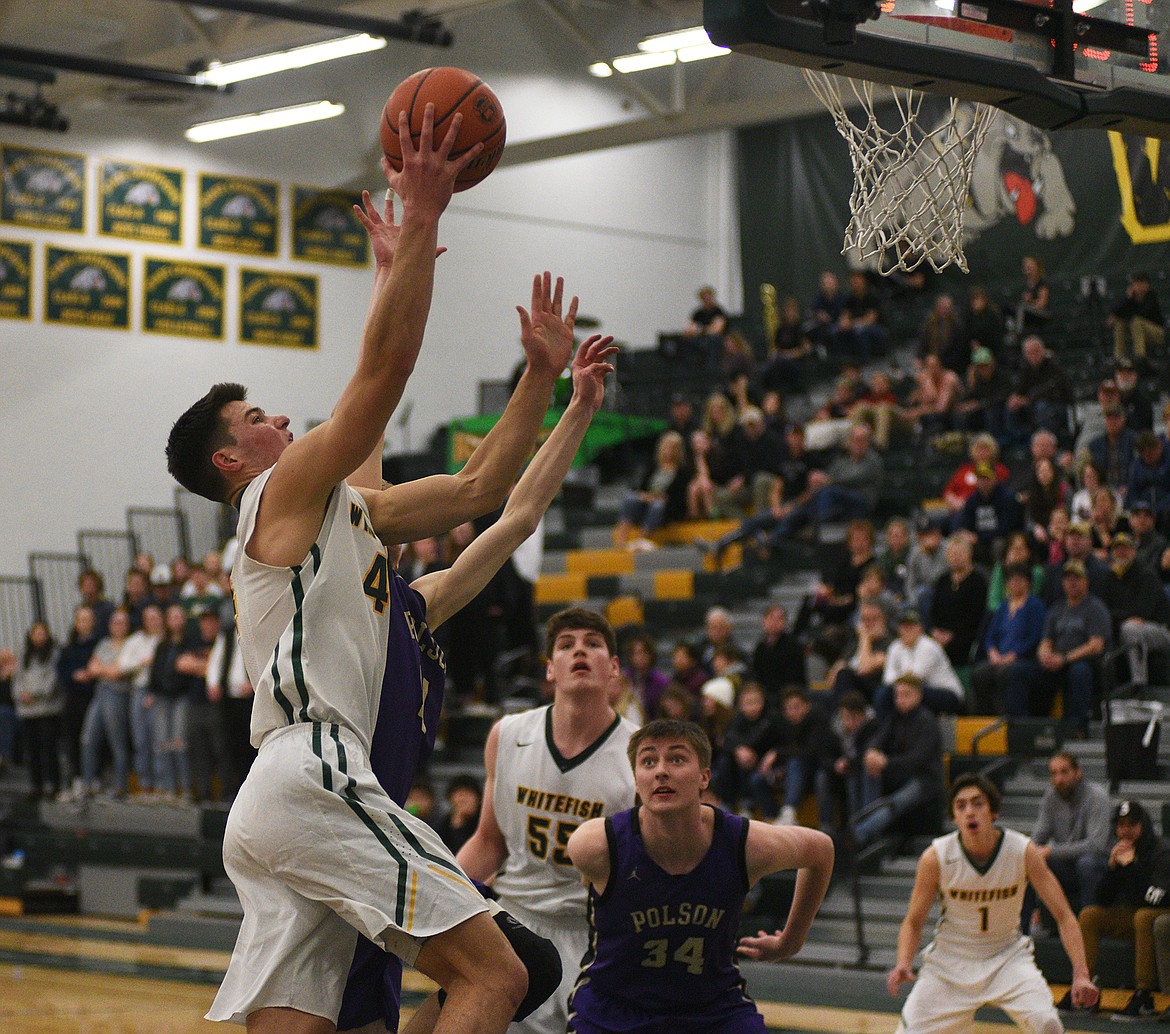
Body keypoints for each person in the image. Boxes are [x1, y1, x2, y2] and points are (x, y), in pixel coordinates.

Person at [169, 118, 546, 1031]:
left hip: (280, 799)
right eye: (257, 414)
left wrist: (540, 378)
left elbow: (479, 489)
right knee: (499, 976)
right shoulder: (275, 494)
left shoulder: (345, 511)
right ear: (232, 461)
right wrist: (422, 217)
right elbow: (380, 376)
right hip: (316, 770)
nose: (280, 417)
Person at [337, 335, 618, 1034]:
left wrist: (577, 409)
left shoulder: (417, 603)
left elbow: (518, 517)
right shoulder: (334, 599)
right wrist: (385, 290)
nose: (392, 516)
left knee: (512, 973)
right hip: (334, 821)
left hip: (382, 827)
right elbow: (364, 462)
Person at [565, 719, 834, 1034]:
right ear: (637, 782)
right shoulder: (596, 844)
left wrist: (791, 941)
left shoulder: (743, 843)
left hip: (714, 1011)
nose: (661, 771)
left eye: (676, 759)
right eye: (648, 761)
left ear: (704, 777)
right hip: (615, 1011)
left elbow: (821, 851)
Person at [456, 608, 638, 1034]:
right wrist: (440, 900)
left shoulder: (639, 754)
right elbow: (488, 842)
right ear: (550, 668)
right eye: (566, 644)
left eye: (593, 644)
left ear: (613, 669)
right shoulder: (507, 734)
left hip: (591, 932)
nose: (579, 651)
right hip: (511, 920)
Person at [887, 773, 1099, 1031]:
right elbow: (913, 921)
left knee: (1048, 1025)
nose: (969, 812)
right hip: (950, 963)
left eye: (978, 803)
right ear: (954, 817)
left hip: (1007, 958)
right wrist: (903, 962)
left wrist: (1081, 974)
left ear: (994, 811)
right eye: (960, 806)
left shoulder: (1022, 850)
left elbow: (1064, 915)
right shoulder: (936, 857)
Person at [1077, 800, 1170, 1019]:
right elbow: (1102, 899)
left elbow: (1153, 899)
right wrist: (1112, 868)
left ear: (1143, 825)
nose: (1125, 831)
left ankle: (1144, 995)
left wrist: (1130, 867)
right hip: (1137, 918)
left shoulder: (1161, 851)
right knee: (1090, 915)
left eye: (1131, 825)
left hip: (1162, 913)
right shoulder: (1122, 852)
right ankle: (1085, 986)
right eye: (1120, 825)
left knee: (1144, 916)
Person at [853, 674, 945, 845]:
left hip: (925, 779)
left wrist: (886, 762)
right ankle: (865, 827)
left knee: (895, 802)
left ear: (919, 695)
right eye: (898, 695)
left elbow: (918, 760)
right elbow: (878, 739)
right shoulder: (894, 718)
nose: (900, 699)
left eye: (906, 694)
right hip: (899, 774)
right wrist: (872, 753)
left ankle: (860, 834)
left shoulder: (928, 722)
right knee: (867, 769)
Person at [1028, 752, 1111, 928]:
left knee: (1086, 863)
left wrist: (1052, 850)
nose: (1059, 779)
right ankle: (1039, 920)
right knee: (1033, 859)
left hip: (1100, 865)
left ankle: (1090, 925)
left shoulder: (1097, 796)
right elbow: (1038, 836)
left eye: (1064, 772)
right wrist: (1030, 852)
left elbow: (1096, 845)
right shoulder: (1051, 797)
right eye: (1054, 773)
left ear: (1077, 772)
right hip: (1068, 864)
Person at [1035, 560, 1112, 735]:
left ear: (1086, 581)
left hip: (1088, 663)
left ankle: (1078, 727)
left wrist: (1065, 658)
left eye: (1076, 578)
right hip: (1059, 662)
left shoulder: (1095, 608)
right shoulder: (1057, 609)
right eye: (1068, 579)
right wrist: (1045, 656)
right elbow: (1045, 641)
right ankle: (1039, 728)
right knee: (1034, 671)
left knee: (1079, 671)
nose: (1072, 582)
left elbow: (1096, 645)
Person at [970, 563, 1046, 717]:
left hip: (1024, 659)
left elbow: (1035, 636)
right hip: (1000, 658)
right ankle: (984, 718)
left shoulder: (1035, 606)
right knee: (979, 673)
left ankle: (1011, 719)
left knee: (1007, 672)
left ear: (1028, 582)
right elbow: (990, 635)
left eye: (1019, 580)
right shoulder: (1003, 606)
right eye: (1012, 580)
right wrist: (992, 652)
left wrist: (1015, 655)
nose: (1015, 584)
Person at [2, 621, 62, 801]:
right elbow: (17, 680)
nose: (38, 637)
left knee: (49, 748)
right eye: (35, 633)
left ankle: (54, 784)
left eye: (42, 633)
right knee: (33, 750)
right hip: (27, 710)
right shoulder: (25, 655)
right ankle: (37, 785)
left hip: (46, 709)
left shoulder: (53, 654)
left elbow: (52, 680)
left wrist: (34, 694)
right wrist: (22, 695)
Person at [1109, 271, 1165, 363]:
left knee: (1136, 322)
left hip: (1157, 332)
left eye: (1139, 283)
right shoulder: (1131, 299)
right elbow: (1117, 311)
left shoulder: (1151, 296)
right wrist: (1128, 299)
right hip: (1138, 331)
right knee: (1120, 323)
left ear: (1146, 284)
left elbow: (1143, 314)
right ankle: (1119, 358)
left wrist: (1125, 311)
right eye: (1134, 284)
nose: (1136, 286)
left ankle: (1140, 358)